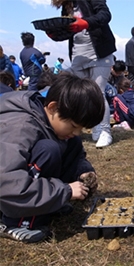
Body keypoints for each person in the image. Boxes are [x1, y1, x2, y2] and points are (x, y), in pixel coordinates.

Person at [0, 73, 104, 243]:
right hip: (7, 194)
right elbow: (7, 184)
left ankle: (46, 206)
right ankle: (15, 222)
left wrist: (84, 172)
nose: (77, 132)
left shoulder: (49, 121)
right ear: (53, 108)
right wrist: (65, 191)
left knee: (71, 141)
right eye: (73, 126)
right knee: (48, 149)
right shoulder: (20, 126)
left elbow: (75, 154)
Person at [50, 0, 117, 148]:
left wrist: (86, 23)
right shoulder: (66, 5)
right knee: (81, 94)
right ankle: (88, 126)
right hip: (78, 54)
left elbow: (105, 15)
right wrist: (55, 34)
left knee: (98, 92)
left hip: (99, 51)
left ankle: (104, 130)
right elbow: (67, 30)